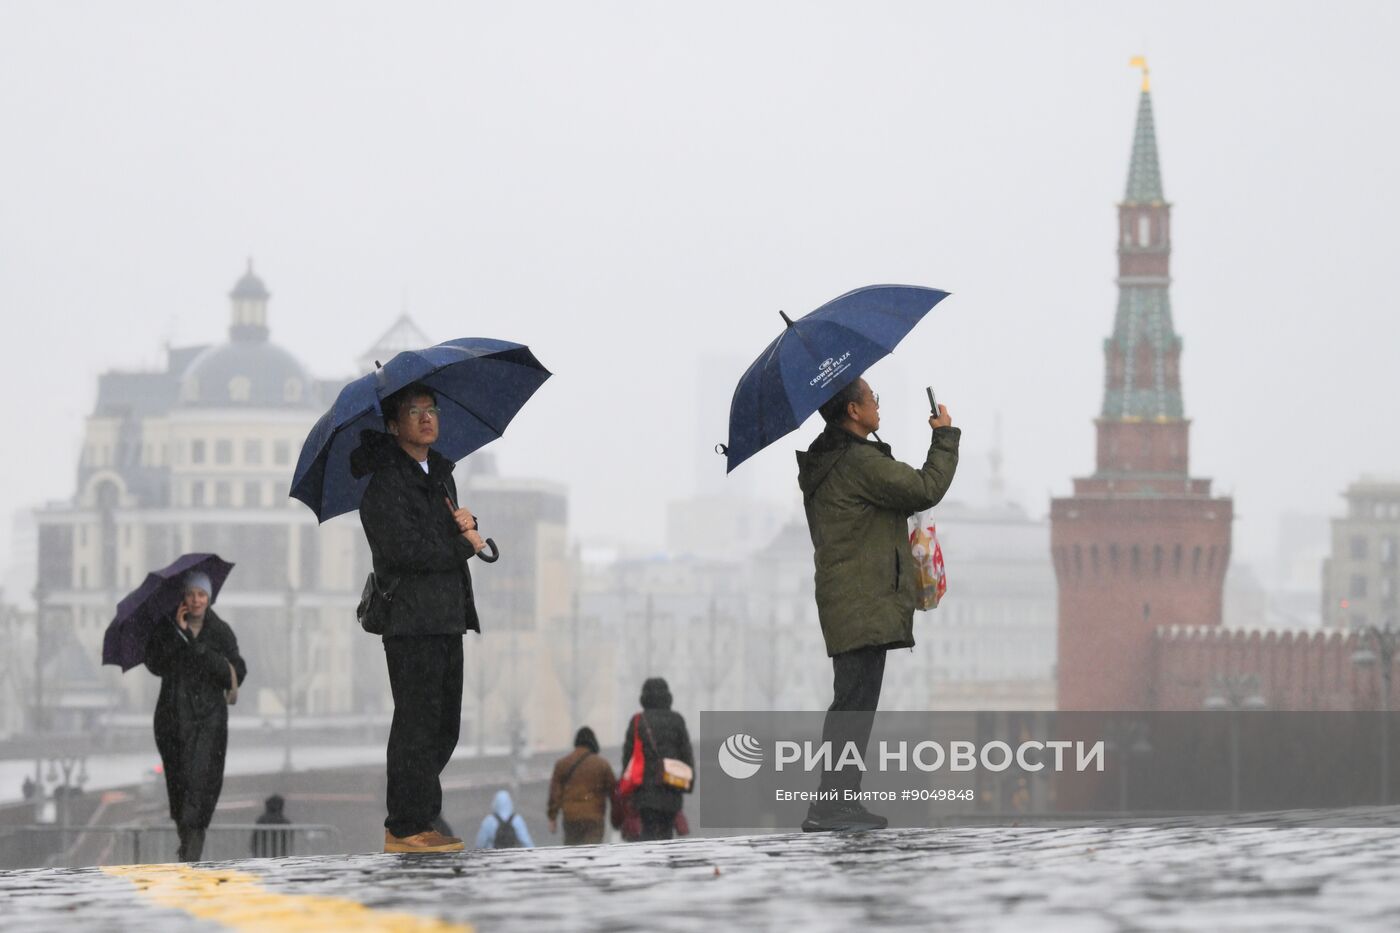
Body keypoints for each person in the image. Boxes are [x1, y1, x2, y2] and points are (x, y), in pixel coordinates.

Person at [795, 378, 959, 832]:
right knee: (854, 704)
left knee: (852, 703)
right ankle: (833, 803)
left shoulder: (830, 462)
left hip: (851, 598)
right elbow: (925, 487)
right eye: (873, 400)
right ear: (853, 410)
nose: (878, 406)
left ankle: (838, 800)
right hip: (863, 600)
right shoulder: (856, 462)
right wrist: (943, 436)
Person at [352, 382, 488, 854]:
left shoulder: (440, 476)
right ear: (394, 425)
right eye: (415, 411)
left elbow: (441, 543)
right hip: (410, 621)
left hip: (446, 616)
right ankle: (406, 827)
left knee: (444, 725)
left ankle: (419, 819)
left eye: (432, 409)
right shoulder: (386, 484)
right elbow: (404, 551)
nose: (428, 418)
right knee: (415, 724)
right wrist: (459, 544)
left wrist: (463, 526)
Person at [144, 571, 247, 861]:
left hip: (209, 722)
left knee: (202, 785)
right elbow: (156, 664)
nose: (196, 600)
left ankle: (191, 851)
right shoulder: (167, 629)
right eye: (191, 594)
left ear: (209, 598)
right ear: (183, 598)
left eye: (201, 595)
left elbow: (237, 672)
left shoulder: (221, 631)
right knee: (179, 784)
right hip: (173, 720)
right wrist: (178, 635)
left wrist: (197, 647)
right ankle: (187, 842)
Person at [620, 677, 694, 841]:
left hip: (645, 792)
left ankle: (650, 862)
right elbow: (686, 754)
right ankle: (665, 861)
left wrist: (627, 787)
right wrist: (688, 783)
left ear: (644, 697)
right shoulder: (677, 720)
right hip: (671, 788)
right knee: (666, 833)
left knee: (648, 833)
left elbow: (628, 758)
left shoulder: (638, 721)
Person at [547, 726, 616, 846]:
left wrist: (552, 817)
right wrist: (618, 817)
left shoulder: (562, 764)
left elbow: (555, 793)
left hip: (571, 818)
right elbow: (614, 792)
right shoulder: (602, 765)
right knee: (592, 854)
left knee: (574, 855)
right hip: (594, 818)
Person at [250, 793, 292, 858]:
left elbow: (254, 839)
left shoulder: (261, 820)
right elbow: (287, 841)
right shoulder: (284, 822)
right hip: (280, 855)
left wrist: (254, 851)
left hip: (262, 854)